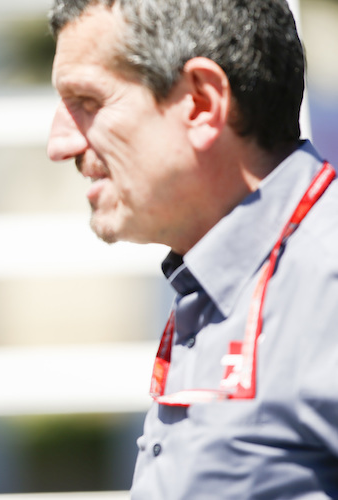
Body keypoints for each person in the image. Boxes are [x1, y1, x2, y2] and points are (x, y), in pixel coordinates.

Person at [47, 0, 338, 497]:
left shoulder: (324, 279)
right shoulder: (216, 277)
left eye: (88, 101)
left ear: (202, 103)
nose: (59, 143)